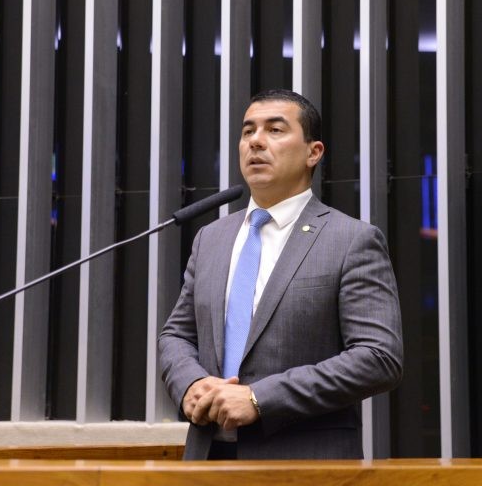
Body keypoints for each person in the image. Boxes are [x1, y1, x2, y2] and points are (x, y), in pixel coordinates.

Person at [158, 89, 403, 460]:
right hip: (207, 458)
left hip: (303, 461)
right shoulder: (212, 237)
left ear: (313, 152)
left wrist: (260, 398)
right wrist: (190, 382)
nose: (255, 141)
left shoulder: (351, 240)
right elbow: (177, 334)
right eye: (247, 132)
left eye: (275, 130)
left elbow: (378, 357)